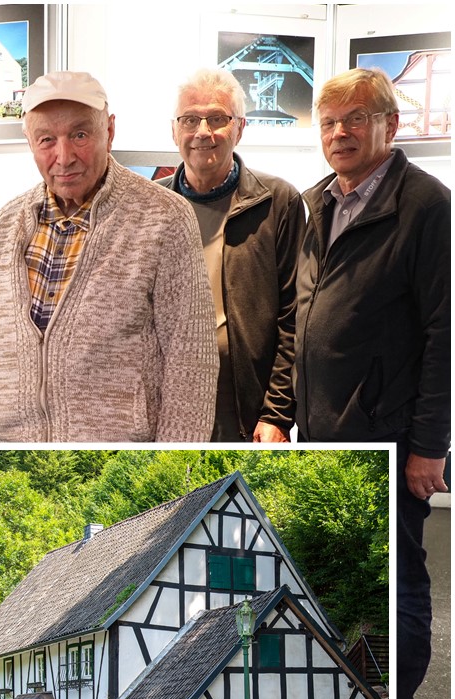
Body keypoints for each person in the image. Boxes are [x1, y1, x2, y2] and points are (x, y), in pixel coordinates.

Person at [293, 67, 450, 699]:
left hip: (388, 436)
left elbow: (444, 338)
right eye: (328, 122)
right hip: (327, 433)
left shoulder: (425, 206)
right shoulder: (316, 203)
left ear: (389, 123)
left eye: (355, 119)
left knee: (400, 583)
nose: (340, 133)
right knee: (346, 578)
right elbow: (299, 319)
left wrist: (426, 447)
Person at [0, 71, 217, 442]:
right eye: (46, 140)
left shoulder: (164, 217)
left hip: (118, 460)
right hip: (10, 456)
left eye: (80, 135)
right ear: (29, 141)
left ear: (110, 130)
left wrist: (173, 467)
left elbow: (191, 361)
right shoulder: (6, 224)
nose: (64, 156)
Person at [158, 68, 304, 442]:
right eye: (190, 119)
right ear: (174, 130)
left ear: (239, 128)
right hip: (166, 405)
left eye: (217, 118)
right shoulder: (150, 207)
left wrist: (277, 413)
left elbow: (294, 315)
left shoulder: (277, 202)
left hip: (246, 410)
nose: (202, 132)